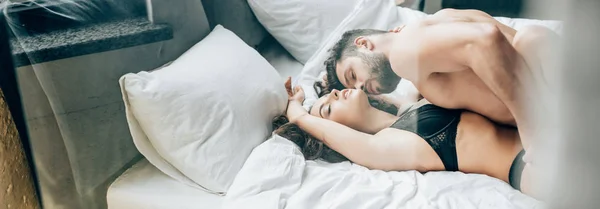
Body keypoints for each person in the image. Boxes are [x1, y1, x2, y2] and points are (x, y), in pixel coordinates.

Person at [274, 79, 533, 196]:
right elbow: (303, 121)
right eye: (328, 109)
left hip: (544, 135)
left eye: (330, 94)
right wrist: (294, 108)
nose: (333, 93)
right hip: (529, 166)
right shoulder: (386, 145)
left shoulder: (410, 107)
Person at [322, 8, 559, 132]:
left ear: (363, 44)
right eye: (354, 88)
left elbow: (484, 40)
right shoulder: (430, 33)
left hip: (556, 97)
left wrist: (531, 129)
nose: (361, 88)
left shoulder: (403, 52)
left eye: (353, 76)